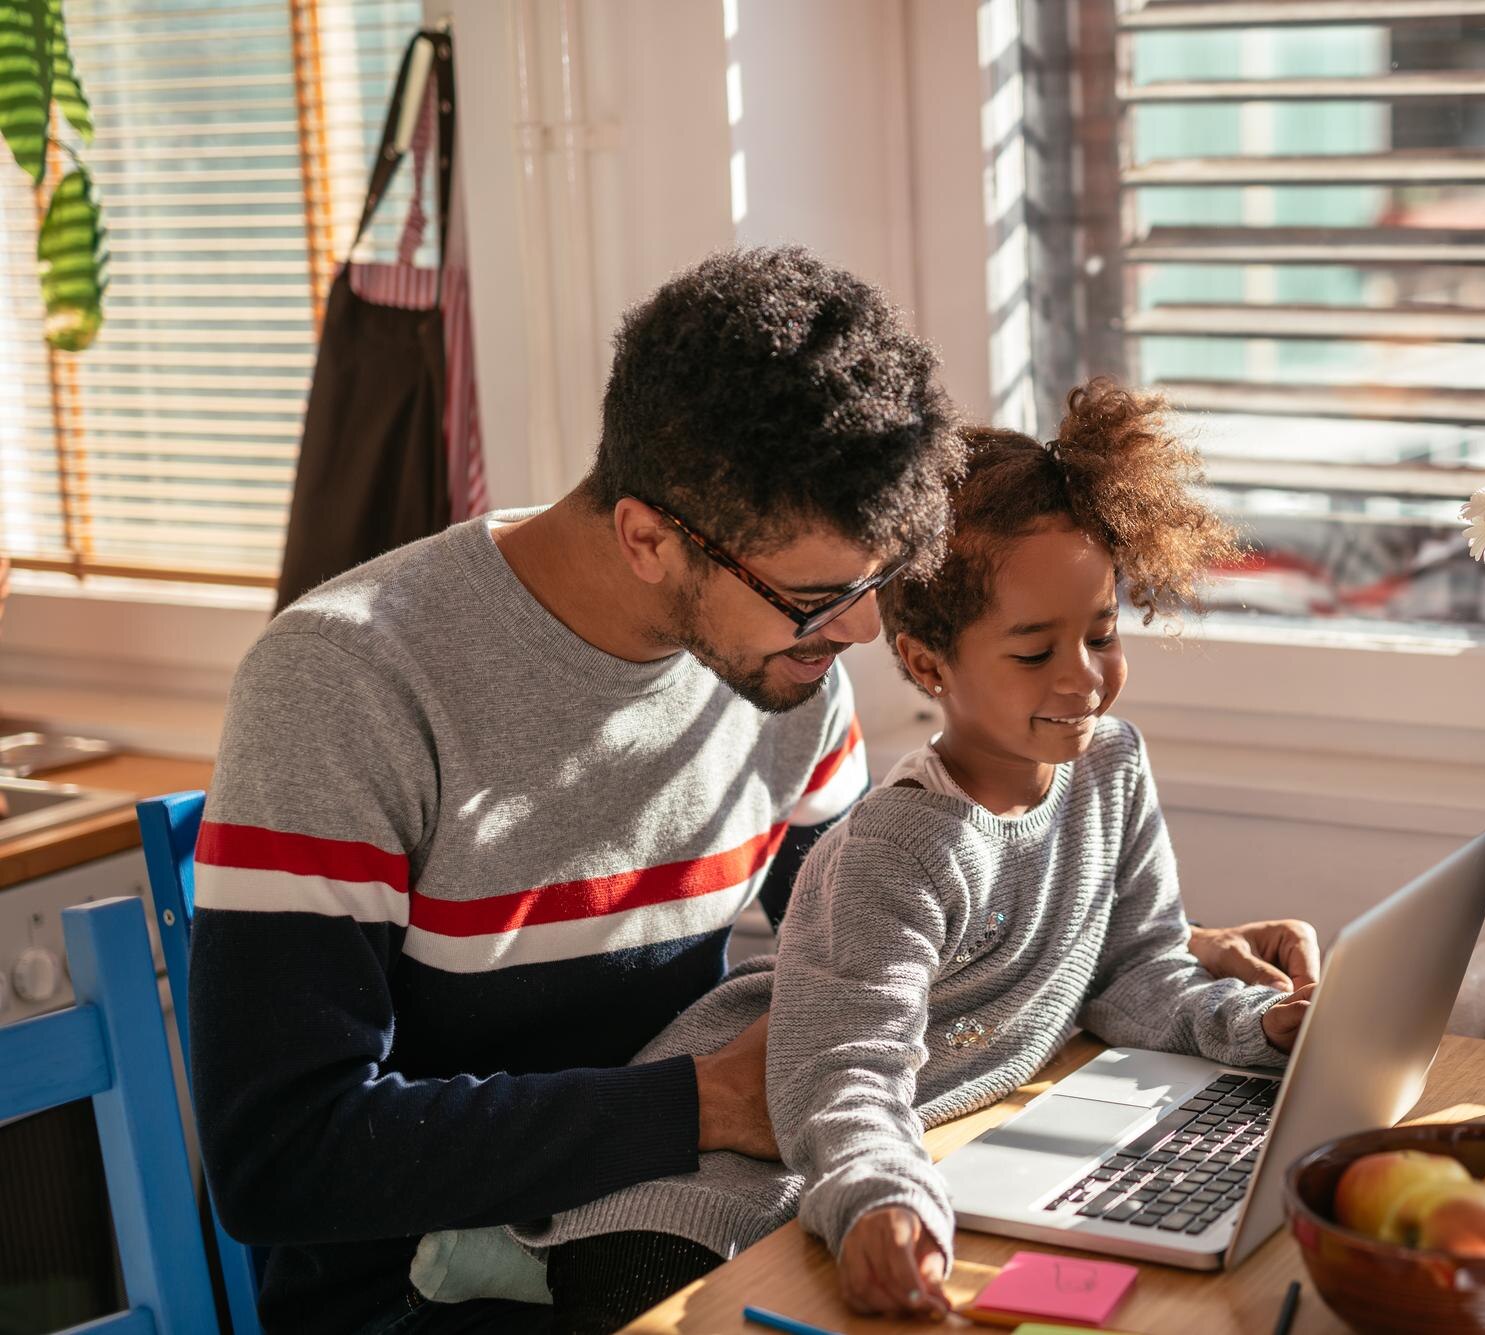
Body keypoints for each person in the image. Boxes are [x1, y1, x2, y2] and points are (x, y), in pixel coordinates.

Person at [189, 248, 1317, 1335]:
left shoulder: (782, 665)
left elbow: (858, 951)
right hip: (441, 1294)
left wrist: (1122, 949)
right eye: (820, 594)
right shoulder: (348, 680)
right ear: (646, 538)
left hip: (720, 1211)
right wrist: (699, 1105)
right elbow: (280, 1157)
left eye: (875, 579)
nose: (865, 628)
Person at [486, 378, 1316, 1332]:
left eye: (1100, 632)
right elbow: (846, 1069)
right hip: (707, 1189)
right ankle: (506, 1255)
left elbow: (1138, 970)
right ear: (927, 663)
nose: (1084, 677)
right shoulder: (898, 848)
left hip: (896, 1147)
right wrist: (883, 1196)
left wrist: (1257, 1024)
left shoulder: (1111, 768)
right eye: (1034, 650)